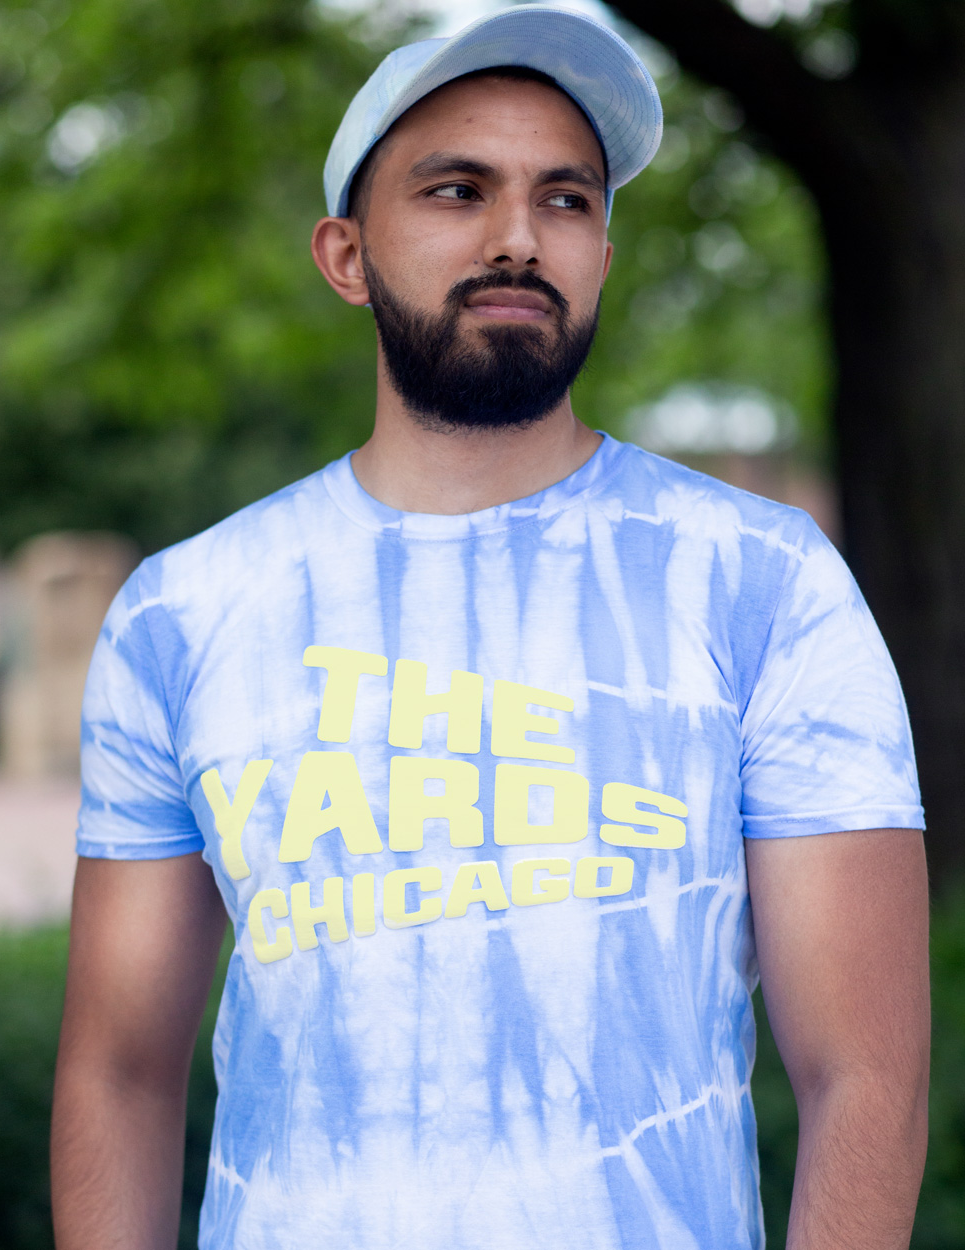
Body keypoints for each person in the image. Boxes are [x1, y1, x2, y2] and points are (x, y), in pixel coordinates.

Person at [51, 7, 929, 1249]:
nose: (518, 236)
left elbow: (867, 1080)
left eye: (564, 200)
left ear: (601, 257)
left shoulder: (763, 580)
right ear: (346, 255)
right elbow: (118, 1072)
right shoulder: (182, 613)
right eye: (458, 190)